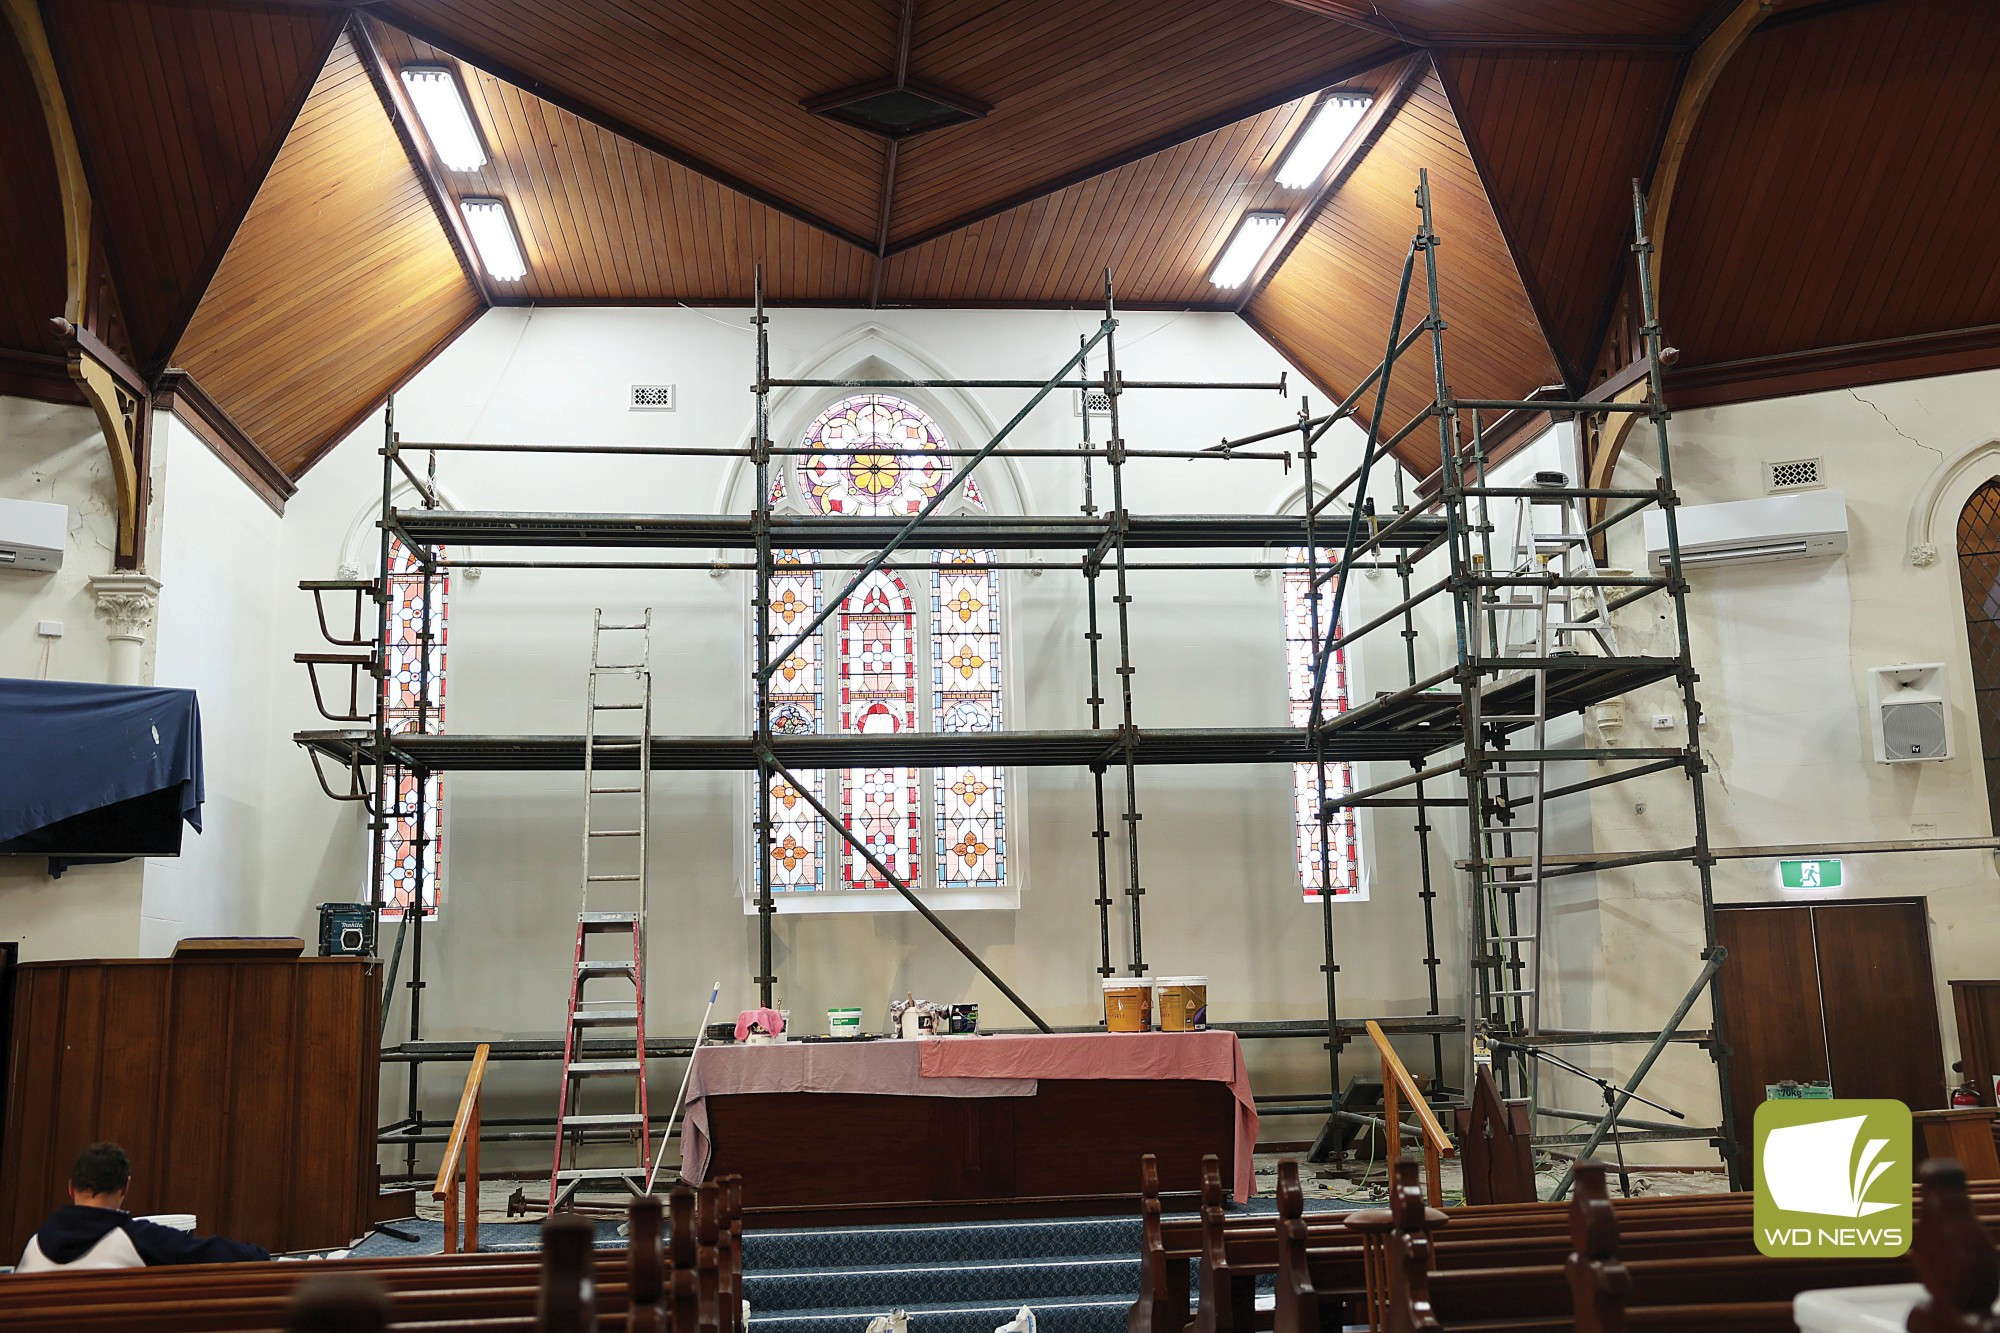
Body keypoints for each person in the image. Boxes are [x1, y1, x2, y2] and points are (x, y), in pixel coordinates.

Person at [14, 1142, 271, 1272]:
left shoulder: (32, 1247)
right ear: (125, 1187)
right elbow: (212, 1252)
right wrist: (262, 1254)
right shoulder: (138, 1238)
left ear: (71, 1188)